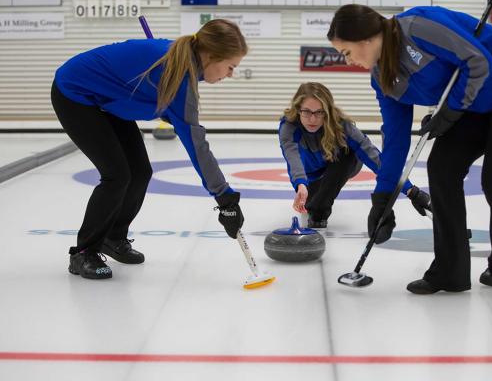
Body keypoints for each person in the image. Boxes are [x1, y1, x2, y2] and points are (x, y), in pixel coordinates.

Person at [328, 4, 492, 294]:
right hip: (474, 103)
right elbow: (396, 139)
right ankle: (450, 271)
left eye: (347, 52)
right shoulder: (382, 78)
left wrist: (449, 112)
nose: (348, 61)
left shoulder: (417, 26)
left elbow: (478, 61)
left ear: (365, 40)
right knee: (442, 168)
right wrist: (383, 198)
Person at [51, 19, 248, 280]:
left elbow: (148, 98)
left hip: (108, 102)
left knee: (140, 171)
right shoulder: (177, 72)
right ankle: (83, 252)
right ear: (211, 56)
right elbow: (196, 143)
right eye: (231, 66)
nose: (230, 74)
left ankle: (114, 237)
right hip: (75, 93)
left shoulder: (181, 67)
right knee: (117, 175)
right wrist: (225, 198)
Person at [279, 82, 431, 229]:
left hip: (341, 163)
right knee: (310, 200)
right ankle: (315, 196)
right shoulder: (288, 126)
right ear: (298, 109)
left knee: (347, 153)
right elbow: (293, 159)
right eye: (306, 112)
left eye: (319, 112)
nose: (312, 119)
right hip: (311, 174)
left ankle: (319, 212)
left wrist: (412, 191)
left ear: (328, 111)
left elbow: (374, 157)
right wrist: (301, 184)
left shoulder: (341, 125)